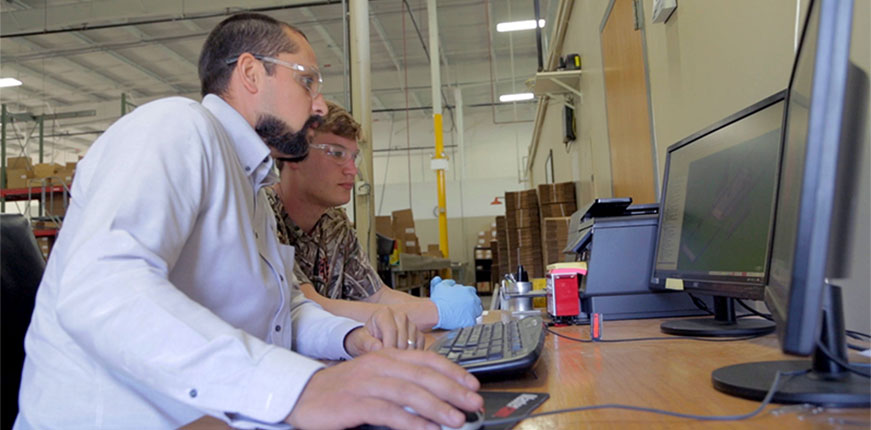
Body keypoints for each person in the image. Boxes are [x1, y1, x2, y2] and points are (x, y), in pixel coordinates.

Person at [15, 13, 481, 430]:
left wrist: (353, 338)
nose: (319, 105)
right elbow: (102, 285)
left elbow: (284, 312)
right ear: (251, 73)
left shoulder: (252, 190)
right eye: (308, 82)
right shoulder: (177, 126)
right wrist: (300, 389)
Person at [267, 100, 483, 340]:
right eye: (337, 153)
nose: (352, 169)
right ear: (293, 153)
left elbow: (376, 295)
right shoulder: (263, 214)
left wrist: (431, 306)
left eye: (354, 157)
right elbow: (309, 308)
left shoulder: (335, 223)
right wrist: (436, 312)